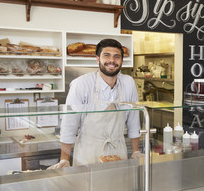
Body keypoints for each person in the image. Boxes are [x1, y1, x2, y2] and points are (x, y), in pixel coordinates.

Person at [49, 39, 142, 169]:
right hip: (88, 152)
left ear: (121, 60)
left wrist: (136, 150)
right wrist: (64, 159)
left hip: (118, 151)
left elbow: (133, 121)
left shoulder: (128, 83)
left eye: (117, 56)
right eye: (106, 55)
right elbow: (69, 124)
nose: (112, 61)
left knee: (118, 188)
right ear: (97, 59)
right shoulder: (81, 84)